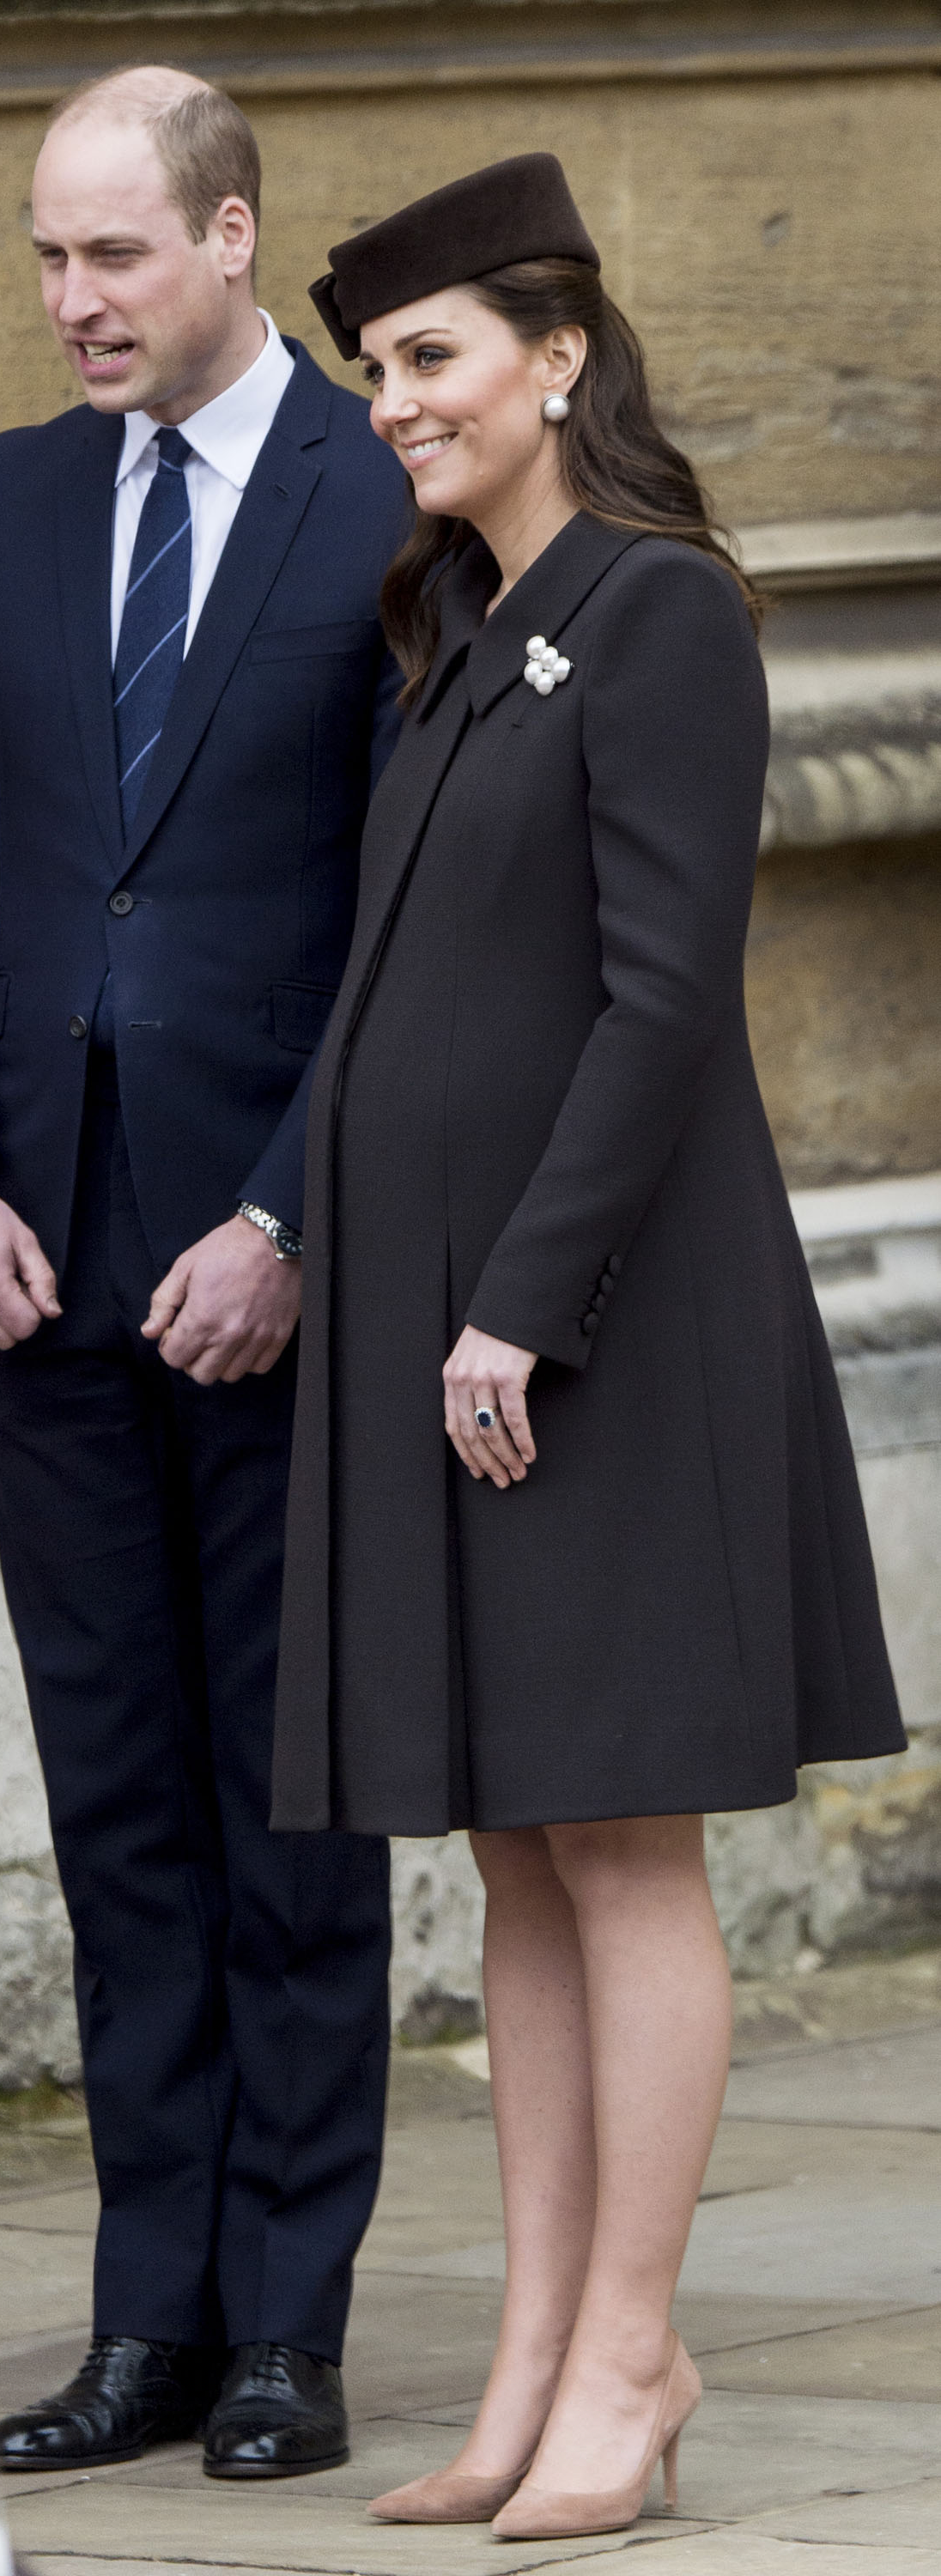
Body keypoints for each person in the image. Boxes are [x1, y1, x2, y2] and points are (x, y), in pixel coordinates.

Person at [272, 155, 906, 2539]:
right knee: (521, 1851)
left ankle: (637, 2363)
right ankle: (538, 2361)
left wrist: (517, 1306)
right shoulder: (464, 628)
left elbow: (662, 1006)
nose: (399, 404)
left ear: (558, 357)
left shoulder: (655, 615)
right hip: (459, 1342)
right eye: (379, 373)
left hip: (598, 1333)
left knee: (622, 1847)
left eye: (431, 356)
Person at [0, 69, 407, 2482]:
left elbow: (423, 929)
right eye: (46, 259)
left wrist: (294, 1215)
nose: (73, 303)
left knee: (289, 1812)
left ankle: (291, 2319)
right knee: (120, 1815)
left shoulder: (383, 493)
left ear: (231, 235)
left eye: (115, 257)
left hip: (280, 1263)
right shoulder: (1, 501)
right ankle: (151, 2317)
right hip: (44, 1272)